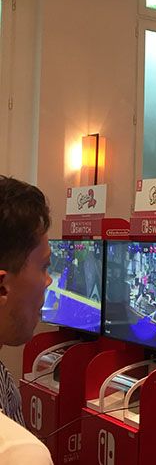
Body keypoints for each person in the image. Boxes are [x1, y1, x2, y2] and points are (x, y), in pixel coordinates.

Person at [0, 175, 54, 464]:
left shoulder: (4, 380)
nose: (48, 281)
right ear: (2, 287)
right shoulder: (19, 453)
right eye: (44, 266)